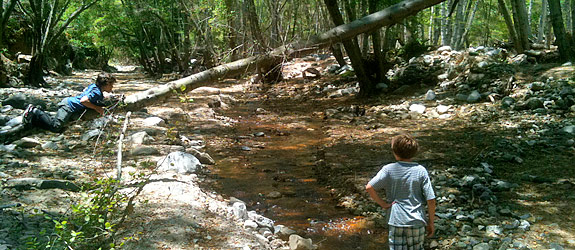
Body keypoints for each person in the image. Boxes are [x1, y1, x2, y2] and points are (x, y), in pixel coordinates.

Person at [365, 134, 436, 250]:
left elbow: (369, 187)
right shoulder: (421, 171)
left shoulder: (388, 169)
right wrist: (431, 222)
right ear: (414, 152)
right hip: (416, 220)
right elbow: (431, 200)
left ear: (395, 152)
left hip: (396, 220)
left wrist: (382, 204)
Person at [22, 72, 117, 133]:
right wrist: (97, 108)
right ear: (106, 84)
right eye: (111, 85)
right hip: (69, 106)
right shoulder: (96, 92)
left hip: (70, 104)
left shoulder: (95, 87)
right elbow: (84, 100)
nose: (112, 88)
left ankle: (35, 120)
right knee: (56, 127)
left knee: (60, 125)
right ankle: (34, 111)